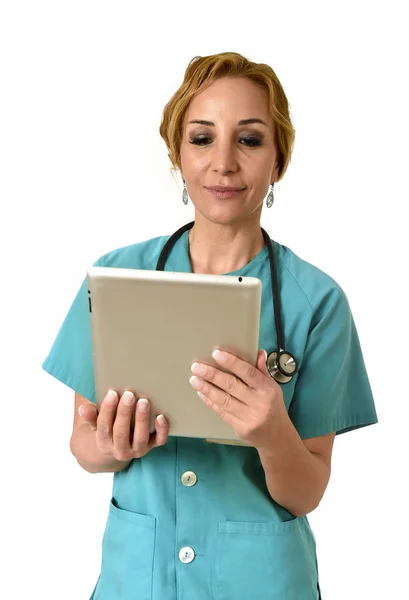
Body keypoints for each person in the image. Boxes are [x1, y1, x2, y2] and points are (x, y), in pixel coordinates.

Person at [42, 51, 378, 600]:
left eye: (248, 139)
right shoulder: (116, 279)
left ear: (279, 161)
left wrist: (271, 434)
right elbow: (82, 445)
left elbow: (308, 489)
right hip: (139, 579)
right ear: (177, 152)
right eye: (202, 138)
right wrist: (114, 444)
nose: (223, 162)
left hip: (263, 582)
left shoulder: (317, 302)